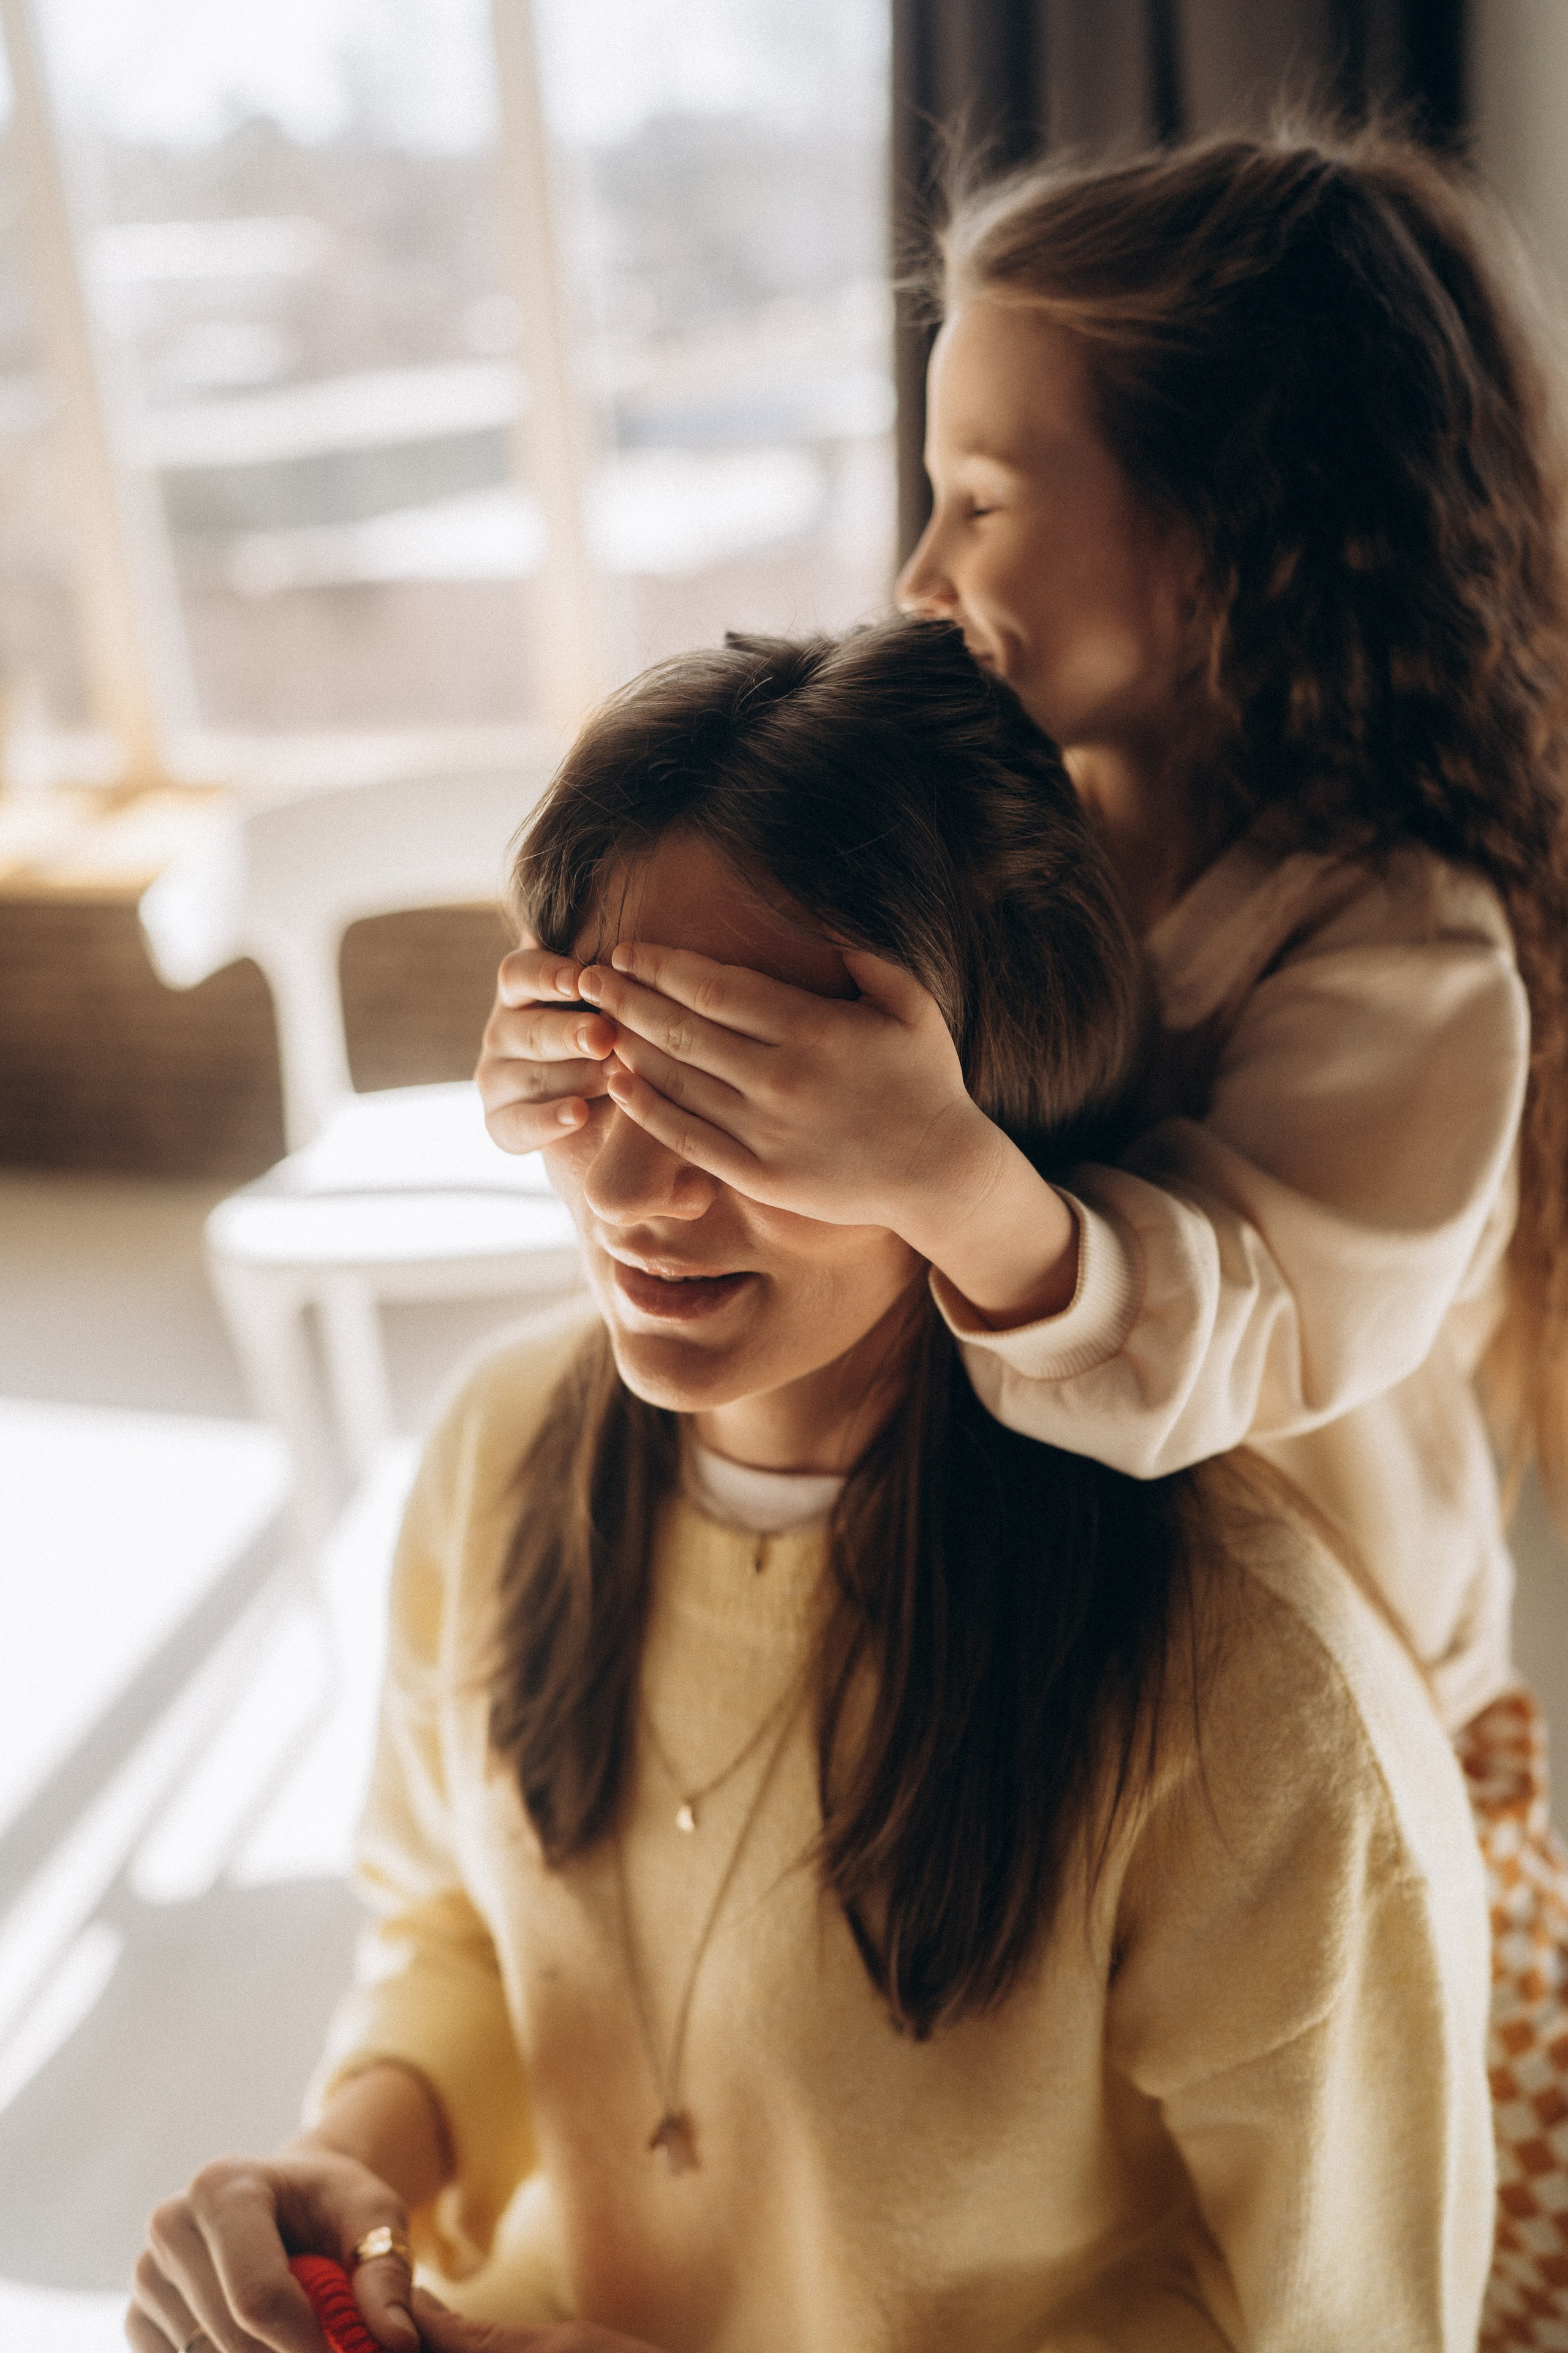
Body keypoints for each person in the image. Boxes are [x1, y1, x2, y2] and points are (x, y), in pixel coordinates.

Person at [473, 126, 1568, 2341]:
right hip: (1005, 1641)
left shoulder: (1408, 957)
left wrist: (934, 1159)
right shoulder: (1023, 819)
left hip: (1303, 1733)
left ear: (1236, 525)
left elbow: (1224, 1338)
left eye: (982, 494)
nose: (916, 566)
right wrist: (600, 1052)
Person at [128, 621, 1493, 2353]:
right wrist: (347, 2162)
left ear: (972, 1103)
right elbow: (457, 1927)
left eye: (740, 1087)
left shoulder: (1248, 1690)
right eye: (591, 1059)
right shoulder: (496, 1453)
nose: (631, 1185)